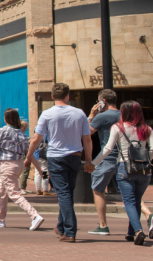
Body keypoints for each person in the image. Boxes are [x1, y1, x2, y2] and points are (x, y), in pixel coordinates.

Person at [87, 90, 153, 237]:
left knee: (118, 197)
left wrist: (93, 163)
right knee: (135, 199)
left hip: (120, 164)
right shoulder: (147, 128)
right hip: (142, 169)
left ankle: (121, 228)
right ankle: (139, 225)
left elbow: (104, 146)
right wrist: (145, 161)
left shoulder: (116, 125)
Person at [25, 83, 92, 242]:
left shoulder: (47, 114)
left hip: (55, 158)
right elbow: (87, 138)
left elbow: (36, 138)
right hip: (75, 156)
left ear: (53, 96)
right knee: (67, 193)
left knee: (63, 194)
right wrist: (88, 160)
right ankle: (61, 227)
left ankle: (69, 231)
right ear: (68, 96)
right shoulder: (79, 113)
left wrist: (29, 156)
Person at [0, 109, 45, 231]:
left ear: (6, 119)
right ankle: (0, 220)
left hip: (7, 165)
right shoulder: (21, 133)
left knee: (14, 193)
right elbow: (29, 154)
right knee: (1, 192)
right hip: (18, 165)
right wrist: (40, 170)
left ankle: (34, 216)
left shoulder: (2, 131)